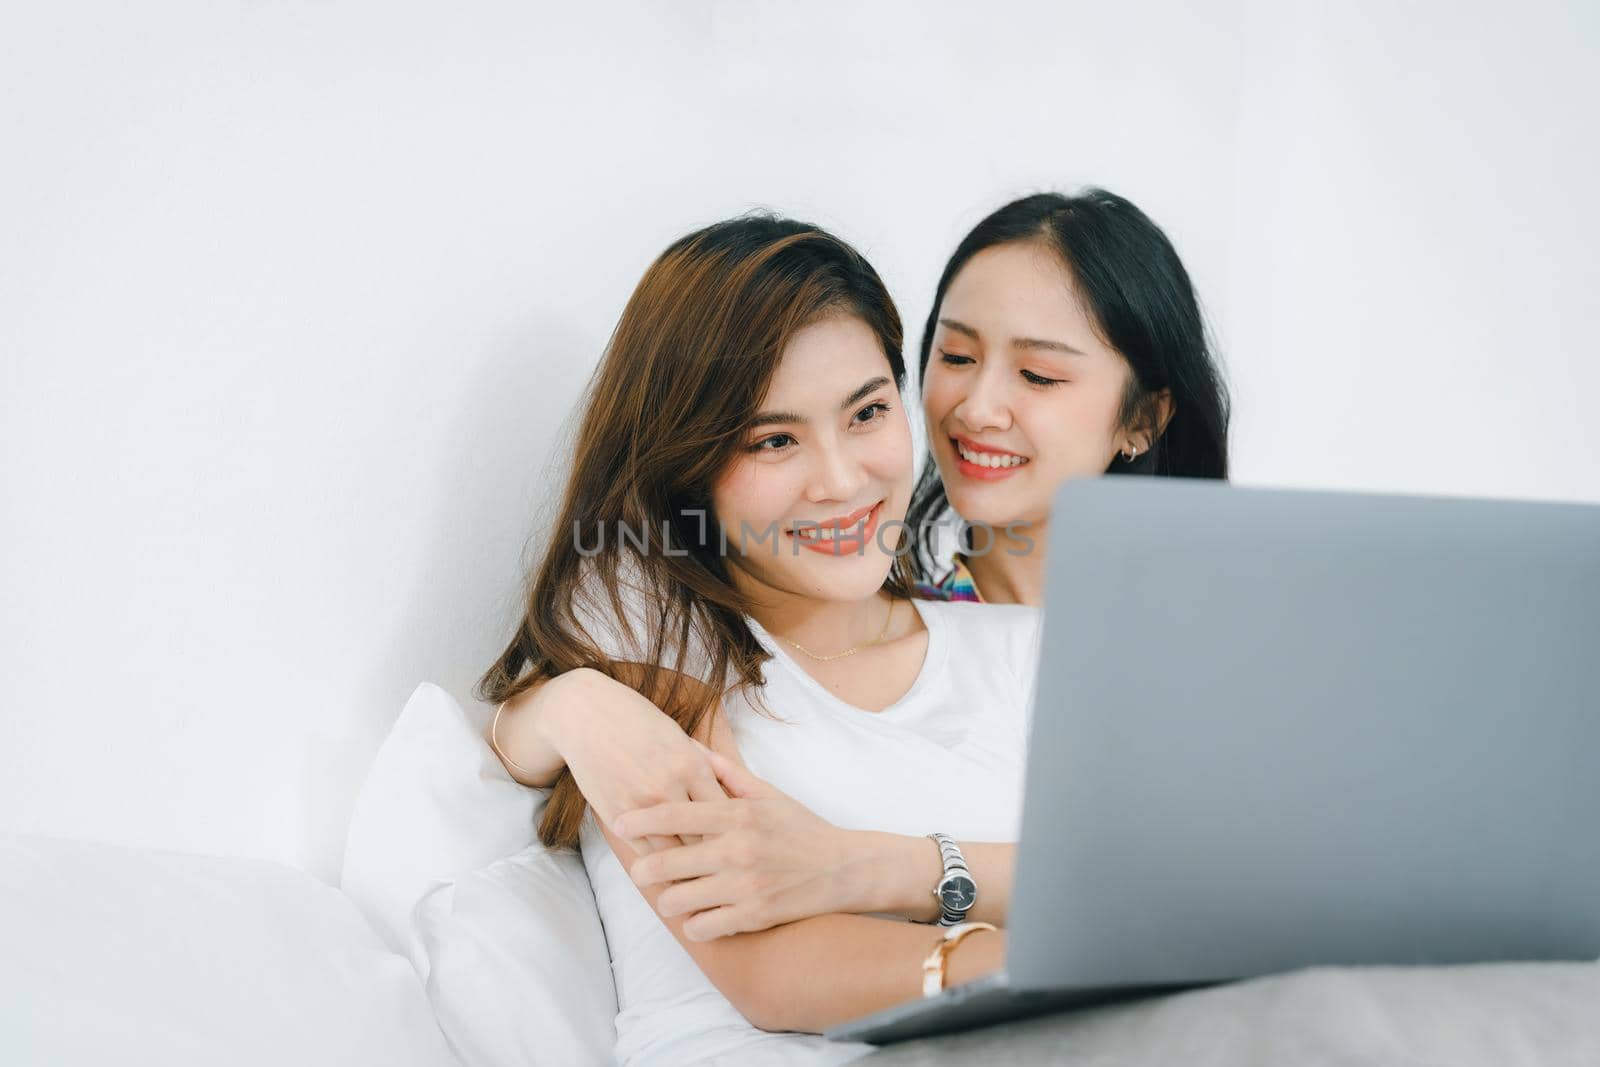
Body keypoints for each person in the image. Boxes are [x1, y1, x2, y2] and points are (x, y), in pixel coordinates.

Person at [480, 215, 1040, 1064]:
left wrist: (872, 866)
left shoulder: (1024, 651)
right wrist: (1073, 955)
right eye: (774, 439)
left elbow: (1166, 888)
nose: (844, 480)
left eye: (867, 412)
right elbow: (769, 973)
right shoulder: (651, 620)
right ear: (688, 462)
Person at [908, 188, 1231, 605]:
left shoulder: (1217, 645)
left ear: (1144, 419)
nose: (976, 409)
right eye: (957, 357)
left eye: (1037, 376)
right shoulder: (873, 651)